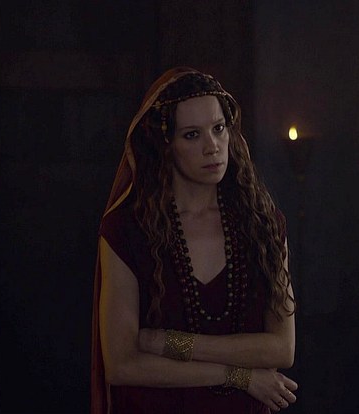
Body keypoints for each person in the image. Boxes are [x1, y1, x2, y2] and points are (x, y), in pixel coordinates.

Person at [90, 67, 298, 413]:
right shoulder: (126, 230)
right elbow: (121, 365)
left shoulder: (263, 225)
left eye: (218, 129)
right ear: (165, 144)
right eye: (191, 135)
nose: (212, 147)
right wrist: (240, 376)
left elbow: (281, 349)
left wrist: (166, 342)